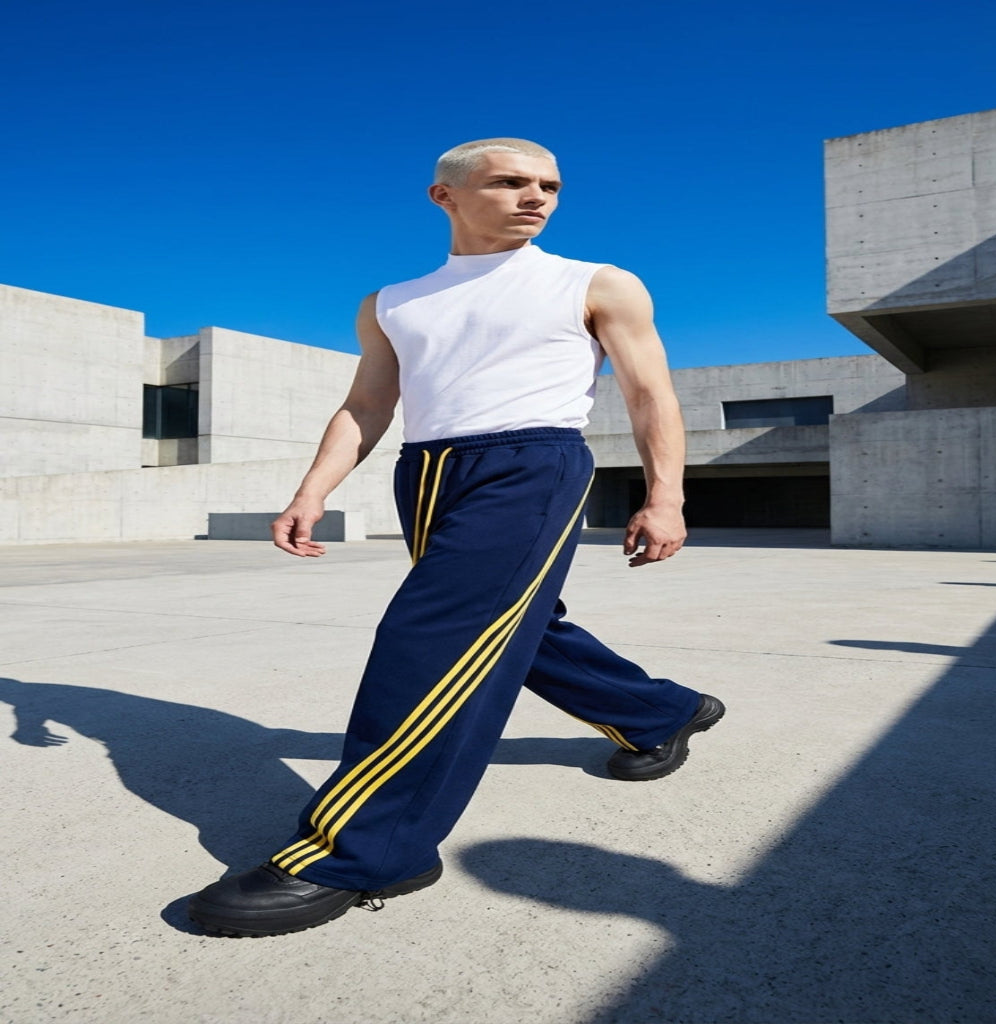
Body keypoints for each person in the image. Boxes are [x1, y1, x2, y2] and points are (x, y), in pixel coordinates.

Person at [188, 138, 725, 937]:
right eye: (510, 182)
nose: (535, 197)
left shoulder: (595, 283)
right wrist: (312, 491)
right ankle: (659, 714)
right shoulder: (393, 302)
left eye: (549, 185)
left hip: (533, 463)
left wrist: (666, 496)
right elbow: (367, 404)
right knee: (517, 628)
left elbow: (651, 394)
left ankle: (367, 848)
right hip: (430, 471)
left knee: (432, 637)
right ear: (444, 196)